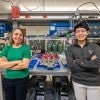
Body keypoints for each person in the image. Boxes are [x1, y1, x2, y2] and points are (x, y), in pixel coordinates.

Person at [66, 22, 100, 100]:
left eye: (83, 31)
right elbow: (71, 65)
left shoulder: (95, 47)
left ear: (87, 32)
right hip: (78, 81)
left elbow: (97, 64)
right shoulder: (70, 49)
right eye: (78, 31)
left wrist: (77, 61)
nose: (80, 33)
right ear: (75, 34)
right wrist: (89, 62)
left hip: (94, 82)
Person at [0, 28, 31, 100]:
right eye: (16, 34)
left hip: (22, 80)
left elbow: (25, 65)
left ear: (22, 37)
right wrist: (16, 62)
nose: (18, 36)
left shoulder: (25, 48)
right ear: (12, 36)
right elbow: (1, 65)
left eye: (21, 35)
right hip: (8, 80)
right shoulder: (6, 48)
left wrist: (8, 65)